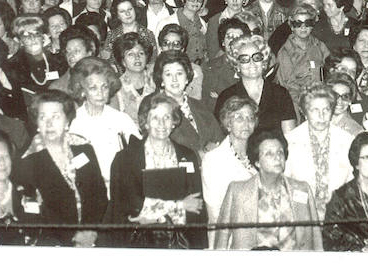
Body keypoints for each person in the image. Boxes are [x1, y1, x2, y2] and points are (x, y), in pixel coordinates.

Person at [106, 93, 208, 249]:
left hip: (181, 243)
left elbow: (197, 208)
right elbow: (132, 210)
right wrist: (180, 205)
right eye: (154, 118)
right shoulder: (125, 159)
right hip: (139, 243)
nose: (161, 124)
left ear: (174, 122)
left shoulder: (187, 155)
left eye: (167, 117)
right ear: (145, 122)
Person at [15, 89, 107, 247]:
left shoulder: (84, 148)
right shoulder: (26, 162)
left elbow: (99, 193)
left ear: (67, 122)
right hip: (54, 243)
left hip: (92, 237)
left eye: (55, 117)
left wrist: (91, 231)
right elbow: (33, 213)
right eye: (43, 117)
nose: (49, 124)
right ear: (37, 123)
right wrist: (72, 237)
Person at [214, 129, 323, 250]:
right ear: (257, 162)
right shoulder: (237, 192)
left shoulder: (302, 189)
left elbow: (316, 237)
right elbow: (222, 239)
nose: (277, 158)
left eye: (280, 152)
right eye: (269, 154)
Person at [284, 83, 354, 218]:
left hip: (339, 213)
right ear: (304, 113)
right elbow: (285, 184)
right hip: (300, 213)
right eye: (314, 110)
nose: (321, 116)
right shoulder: (290, 141)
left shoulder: (347, 140)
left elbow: (351, 183)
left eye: (326, 110)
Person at [67, 58, 140, 187]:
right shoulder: (73, 123)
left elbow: (139, 156)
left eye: (104, 87)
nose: (100, 93)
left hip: (120, 187)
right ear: (82, 91)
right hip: (88, 189)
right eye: (93, 88)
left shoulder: (121, 119)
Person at [215, 35, 297, 134]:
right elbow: (222, 138)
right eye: (244, 59)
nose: (252, 63)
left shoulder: (280, 94)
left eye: (257, 57)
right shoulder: (226, 97)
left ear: (264, 61)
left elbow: (290, 137)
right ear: (237, 65)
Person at [201, 95, 259, 229]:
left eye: (250, 118)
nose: (246, 123)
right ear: (228, 124)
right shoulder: (213, 159)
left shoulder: (258, 154)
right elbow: (215, 211)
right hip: (229, 234)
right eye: (239, 118)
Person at [148, 50, 223, 153]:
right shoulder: (155, 108)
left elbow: (219, 140)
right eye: (168, 74)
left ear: (187, 78)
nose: (174, 79)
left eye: (179, 73)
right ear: (161, 80)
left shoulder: (199, 106)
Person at [275, 4, 329, 114]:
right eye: (298, 24)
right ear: (291, 26)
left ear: (312, 25)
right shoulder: (285, 51)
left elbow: (329, 70)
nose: (303, 27)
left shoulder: (319, 45)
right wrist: (306, 101)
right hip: (296, 103)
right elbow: (287, 85)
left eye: (307, 23)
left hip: (320, 98)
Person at [109, 31, 157, 123]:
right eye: (131, 54)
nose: (137, 57)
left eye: (141, 53)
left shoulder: (157, 82)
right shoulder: (116, 88)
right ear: (123, 61)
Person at [325, 71, 364, 136]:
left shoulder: (356, 131)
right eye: (335, 95)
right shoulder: (317, 121)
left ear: (350, 101)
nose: (339, 101)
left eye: (345, 97)